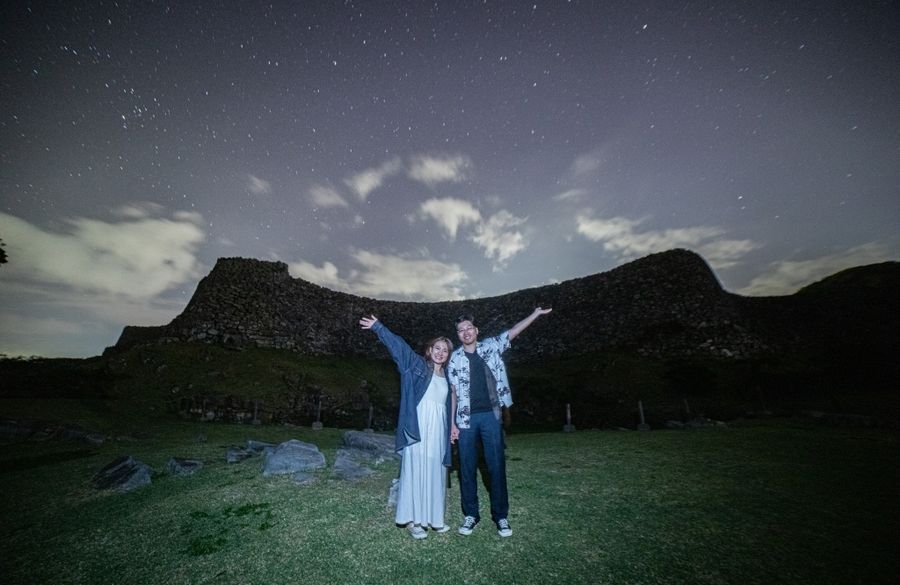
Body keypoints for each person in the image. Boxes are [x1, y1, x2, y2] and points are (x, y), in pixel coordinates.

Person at [448, 307, 552, 537]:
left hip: (491, 416)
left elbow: (513, 332)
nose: (466, 332)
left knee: (496, 466)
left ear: (476, 330)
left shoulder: (490, 347)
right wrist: (452, 424)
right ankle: (471, 515)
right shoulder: (454, 358)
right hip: (465, 419)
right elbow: (453, 392)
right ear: (458, 335)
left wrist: (534, 314)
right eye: (461, 330)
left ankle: (501, 516)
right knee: (466, 468)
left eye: (469, 328)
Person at [360, 315, 454, 539]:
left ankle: (434, 519)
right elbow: (400, 348)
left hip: (438, 431)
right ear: (429, 350)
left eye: (445, 350)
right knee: (415, 471)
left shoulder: (449, 376)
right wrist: (378, 328)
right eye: (437, 348)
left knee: (435, 472)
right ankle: (413, 521)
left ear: (448, 355)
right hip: (418, 427)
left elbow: (450, 404)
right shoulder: (418, 366)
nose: (440, 353)